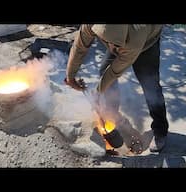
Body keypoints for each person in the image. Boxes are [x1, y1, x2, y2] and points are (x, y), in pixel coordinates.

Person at [65, 24, 169, 152]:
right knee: (104, 72)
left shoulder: (134, 40)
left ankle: (160, 130)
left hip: (147, 40)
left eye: (116, 44)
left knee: (150, 86)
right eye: (108, 42)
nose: (113, 48)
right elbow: (79, 47)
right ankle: (112, 116)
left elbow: (114, 71)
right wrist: (70, 76)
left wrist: (98, 92)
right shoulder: (92, 25)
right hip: (121, 38)